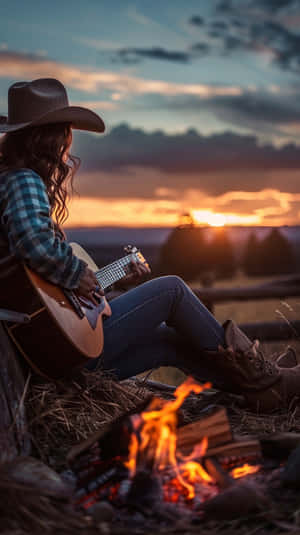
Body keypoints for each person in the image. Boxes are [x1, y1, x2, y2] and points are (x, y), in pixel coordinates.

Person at [0, 78, 299, 413]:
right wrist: (76, 273)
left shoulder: (11, 178)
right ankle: (266, 378)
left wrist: (108, 283)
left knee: (167, 343)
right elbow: (34, 244)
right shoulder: (23, 179)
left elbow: (47, 291)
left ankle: (258, 395)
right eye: (66, 131)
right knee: (171, 289)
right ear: (53, 137)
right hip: (59, 354)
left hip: (54, 359)